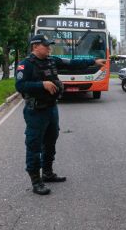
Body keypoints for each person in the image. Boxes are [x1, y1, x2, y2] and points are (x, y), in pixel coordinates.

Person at [15, 34, 105, 195]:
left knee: (50, 141)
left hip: (51, 108)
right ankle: (36, 181)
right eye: (46, 45)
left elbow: (72, 64)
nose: (49, 48)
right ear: (35, 46)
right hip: (35, 111)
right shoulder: (26, 65)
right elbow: (20, 85)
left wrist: (93, 61)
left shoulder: (52, 60)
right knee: (34, 145)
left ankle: (48, 173)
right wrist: (42, 84)